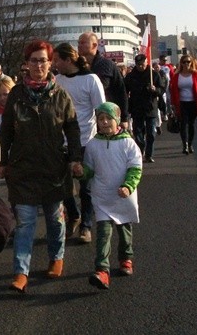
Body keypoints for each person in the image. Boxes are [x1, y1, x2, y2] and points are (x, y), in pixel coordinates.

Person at [0, 40, 82, 293]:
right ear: (26, 64)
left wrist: (75, 158)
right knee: (24, 223)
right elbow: (5, 131)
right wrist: (2, 161)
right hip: (24, 169)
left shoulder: (60, 95)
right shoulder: (16, 95)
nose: (38, 65)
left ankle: (56, 258)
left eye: (43, 60)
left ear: (50, 63)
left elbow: (72, 127)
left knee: (55, 219)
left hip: (53, 169)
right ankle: (20, 272)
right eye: (33, 60)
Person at [72, 102, 142, 290]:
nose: (103, 123)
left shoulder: (128, 143)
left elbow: (135, 169)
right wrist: (80, 172)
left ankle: (126, 258)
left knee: (124, 230)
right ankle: (102, 270)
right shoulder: (94, 144)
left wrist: (128, 186)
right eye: (100, 119)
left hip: (122, 197)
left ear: (117, 120)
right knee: (103, 233)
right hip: (102, 197)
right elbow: (89, 170)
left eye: (108, 118)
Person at [53, 42, 104, 243]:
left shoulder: (91, 80)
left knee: (85, 187)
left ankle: (86, 226)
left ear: (68, 60)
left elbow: (100, 109)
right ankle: (73, 215)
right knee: (63, 186)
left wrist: (102, 138)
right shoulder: (56, 80)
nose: (54, 63)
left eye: (57, 60)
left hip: (86, 140)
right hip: (61, 141)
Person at [77, 32, 129, 128]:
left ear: (94, 45)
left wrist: (124, 118)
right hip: (85, 120)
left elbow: (121, 92)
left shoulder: (107, 65)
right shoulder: (76, 67)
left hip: (107, 117)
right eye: (78, 43)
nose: (79, 46)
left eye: (83, 43)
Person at [124, 54, 164, 163]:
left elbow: (161, 90)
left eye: (142, 64)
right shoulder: (131, 76)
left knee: (151, 133)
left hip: (150, 107)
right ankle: (141, 150)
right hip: (136, 108)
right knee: (138, 133)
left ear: (146, 62)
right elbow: (125, 91)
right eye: (138, 65)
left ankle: (149, 154)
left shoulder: (153, 75)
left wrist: (155, 89)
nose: (140, 67)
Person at [169, 55, 197, 154]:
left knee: (191, 124)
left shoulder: (196, 75)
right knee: (183, 123)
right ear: (181, 63)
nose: (186, 64)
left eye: (188, 62)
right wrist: (172, 103)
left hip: (193, 102)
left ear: (191, 63)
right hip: (181, 102)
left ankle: (190, 144)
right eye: (184, 62)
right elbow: (173, 90)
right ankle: (184, 145)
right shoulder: (177, 76)